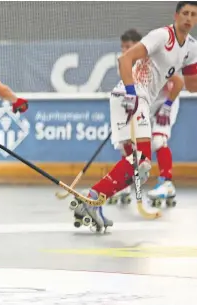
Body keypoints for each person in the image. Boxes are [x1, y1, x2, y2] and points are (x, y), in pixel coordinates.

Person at [71, 1, 197, 232]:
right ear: (176, 15)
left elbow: (190, 86)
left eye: (194, 15)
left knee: (139, 163)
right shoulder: (161, 36)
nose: (189, 18)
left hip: (138, 100)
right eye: (185, 13)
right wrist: (131, 93)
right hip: (132, 95)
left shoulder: (191, 47)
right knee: (142, 161)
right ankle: (93, 198)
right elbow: (124, 60)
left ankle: (92, 200)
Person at [108, 29, 181, 207]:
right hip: (144, 106)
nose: (125, 50)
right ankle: (125, 183)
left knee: (157, 141)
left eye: (129, 46)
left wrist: (168, 106)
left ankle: (167, 183)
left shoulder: (153, 61)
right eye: (122, 47)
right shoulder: (127, 67)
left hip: (164, 104)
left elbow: (179, 83)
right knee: (124, 142)